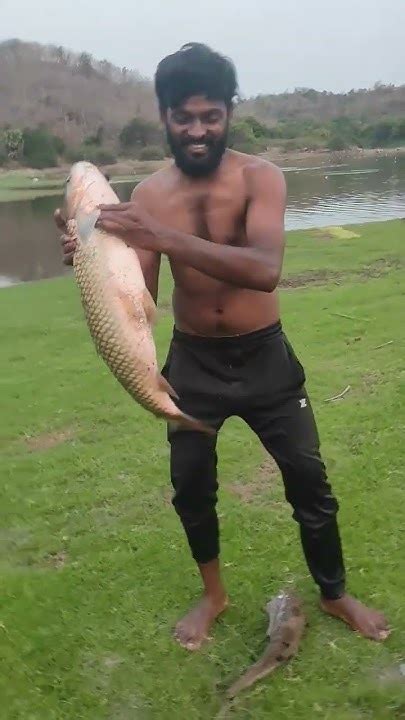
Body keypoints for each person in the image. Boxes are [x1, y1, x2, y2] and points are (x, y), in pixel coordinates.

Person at [54, 42, 389, 651]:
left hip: (265, 356)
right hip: (193, 363)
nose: (199, 129)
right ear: (165, 117)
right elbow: (141, 298)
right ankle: (213, 594)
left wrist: (155, 233)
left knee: (308, 480)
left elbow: (264, 269)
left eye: (211, 115)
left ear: (229, 112)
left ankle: (334, 593)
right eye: (185, 116)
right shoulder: (150, 196)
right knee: (191, 485)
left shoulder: (262, 176)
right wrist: (93, 256)